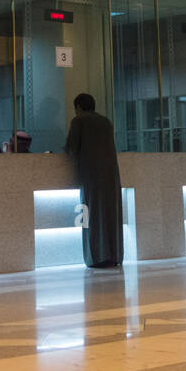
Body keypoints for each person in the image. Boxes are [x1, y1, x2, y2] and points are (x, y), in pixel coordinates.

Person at [64, 93, 123, 268]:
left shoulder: (79, 121)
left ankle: (96, 257)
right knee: (111, 213)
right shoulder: (106, 121)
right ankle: (114, 255)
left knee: (89, 213)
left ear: (79, 107)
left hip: (91, 175)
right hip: (111, 175)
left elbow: (72, 148)